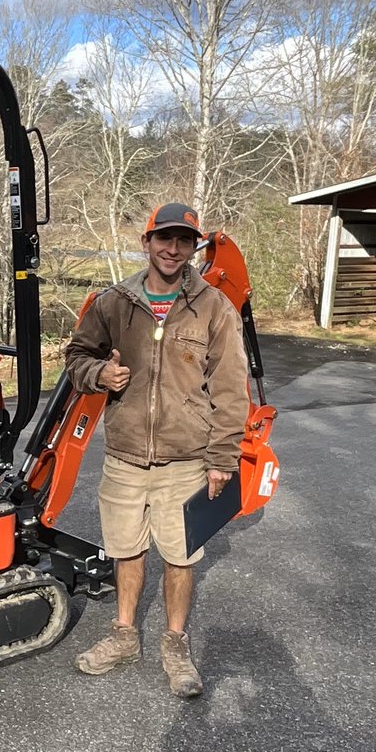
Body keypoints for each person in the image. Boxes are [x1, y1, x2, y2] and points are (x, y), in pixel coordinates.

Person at [64, 202, 250, 697]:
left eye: (184, 241)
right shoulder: (113, 302)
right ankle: (124, 636)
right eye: (164, 239)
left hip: (186, 460)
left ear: (194, 249)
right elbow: (76, 357)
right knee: (126, 551)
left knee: (181, 557)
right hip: (124, 457)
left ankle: (174, 643)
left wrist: (222, 460)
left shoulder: (214, 307)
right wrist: (98, 374)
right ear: (147, 243)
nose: (172, 249)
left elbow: (232, 391)